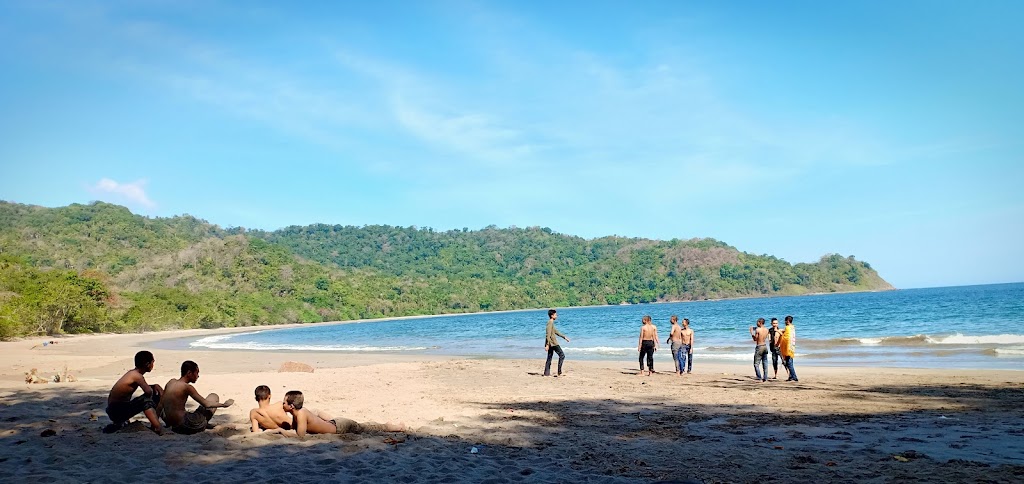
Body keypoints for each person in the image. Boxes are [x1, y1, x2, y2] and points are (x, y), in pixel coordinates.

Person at [282, 391, 405, 439]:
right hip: (335, 423)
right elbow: (295, 428)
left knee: (367, 428)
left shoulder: (301, 413)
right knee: (364, 427)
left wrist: (279, 430)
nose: (282, 404)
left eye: (284, 402)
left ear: (291, 406)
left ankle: (394, 427)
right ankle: (388, 426)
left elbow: (300, 436)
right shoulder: (297, 413)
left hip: (341, 427)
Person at [159, 360, 234, 434]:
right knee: (213, 396)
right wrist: (224, 405)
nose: (198, 376)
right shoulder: (187, 387)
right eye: (196, 372)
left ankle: (203, 423)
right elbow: (206, 404)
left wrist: (155, 424)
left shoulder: (171, 382)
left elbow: (160, 404)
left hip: (171, 424)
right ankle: (203, 424)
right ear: (189, 373)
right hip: (184, 425)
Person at [104, 350, 163, 434]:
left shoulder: (133, 373)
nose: (153, 365)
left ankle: (155, 424)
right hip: (116, 411)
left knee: (153, 393)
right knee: (146, 401)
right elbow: (148, 392)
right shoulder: (137, 376)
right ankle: (157, 427)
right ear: (147, 364)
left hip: (115, 409)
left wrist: (154, 386)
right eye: (153, 362)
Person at [544, 309, 570, 377]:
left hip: (550, 343)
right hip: (553, 343)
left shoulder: (551, 322)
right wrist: (547, 345)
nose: (557, 316)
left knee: (549, 358)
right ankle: (559, 372)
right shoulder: (550, 323)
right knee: (562, 355)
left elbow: (556, 332)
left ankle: (546, 374)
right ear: (552, 315)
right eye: (555, 315)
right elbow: (548, 334)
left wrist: (564, 337)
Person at [779, 315, 799, 382]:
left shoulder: (787, 327)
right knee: (789, 363)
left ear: (787, 321)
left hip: (788, 348)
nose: (784, 322)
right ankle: (790, 377)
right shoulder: (792, 327)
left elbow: (785, 337)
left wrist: (779, 332)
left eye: (785, 320)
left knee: (789, 364)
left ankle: (794, 377)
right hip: (792, 347)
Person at [750, 318, 769, 382]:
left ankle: (759, 377)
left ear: (760, 322)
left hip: (759, 346)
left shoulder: (758, 330)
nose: (756, 323)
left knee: (756, 364)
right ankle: (765, 377)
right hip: (765, 346)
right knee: (765, 363)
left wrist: (752, 333)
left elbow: (755, 339)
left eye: (757, 322)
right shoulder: (766, 329)